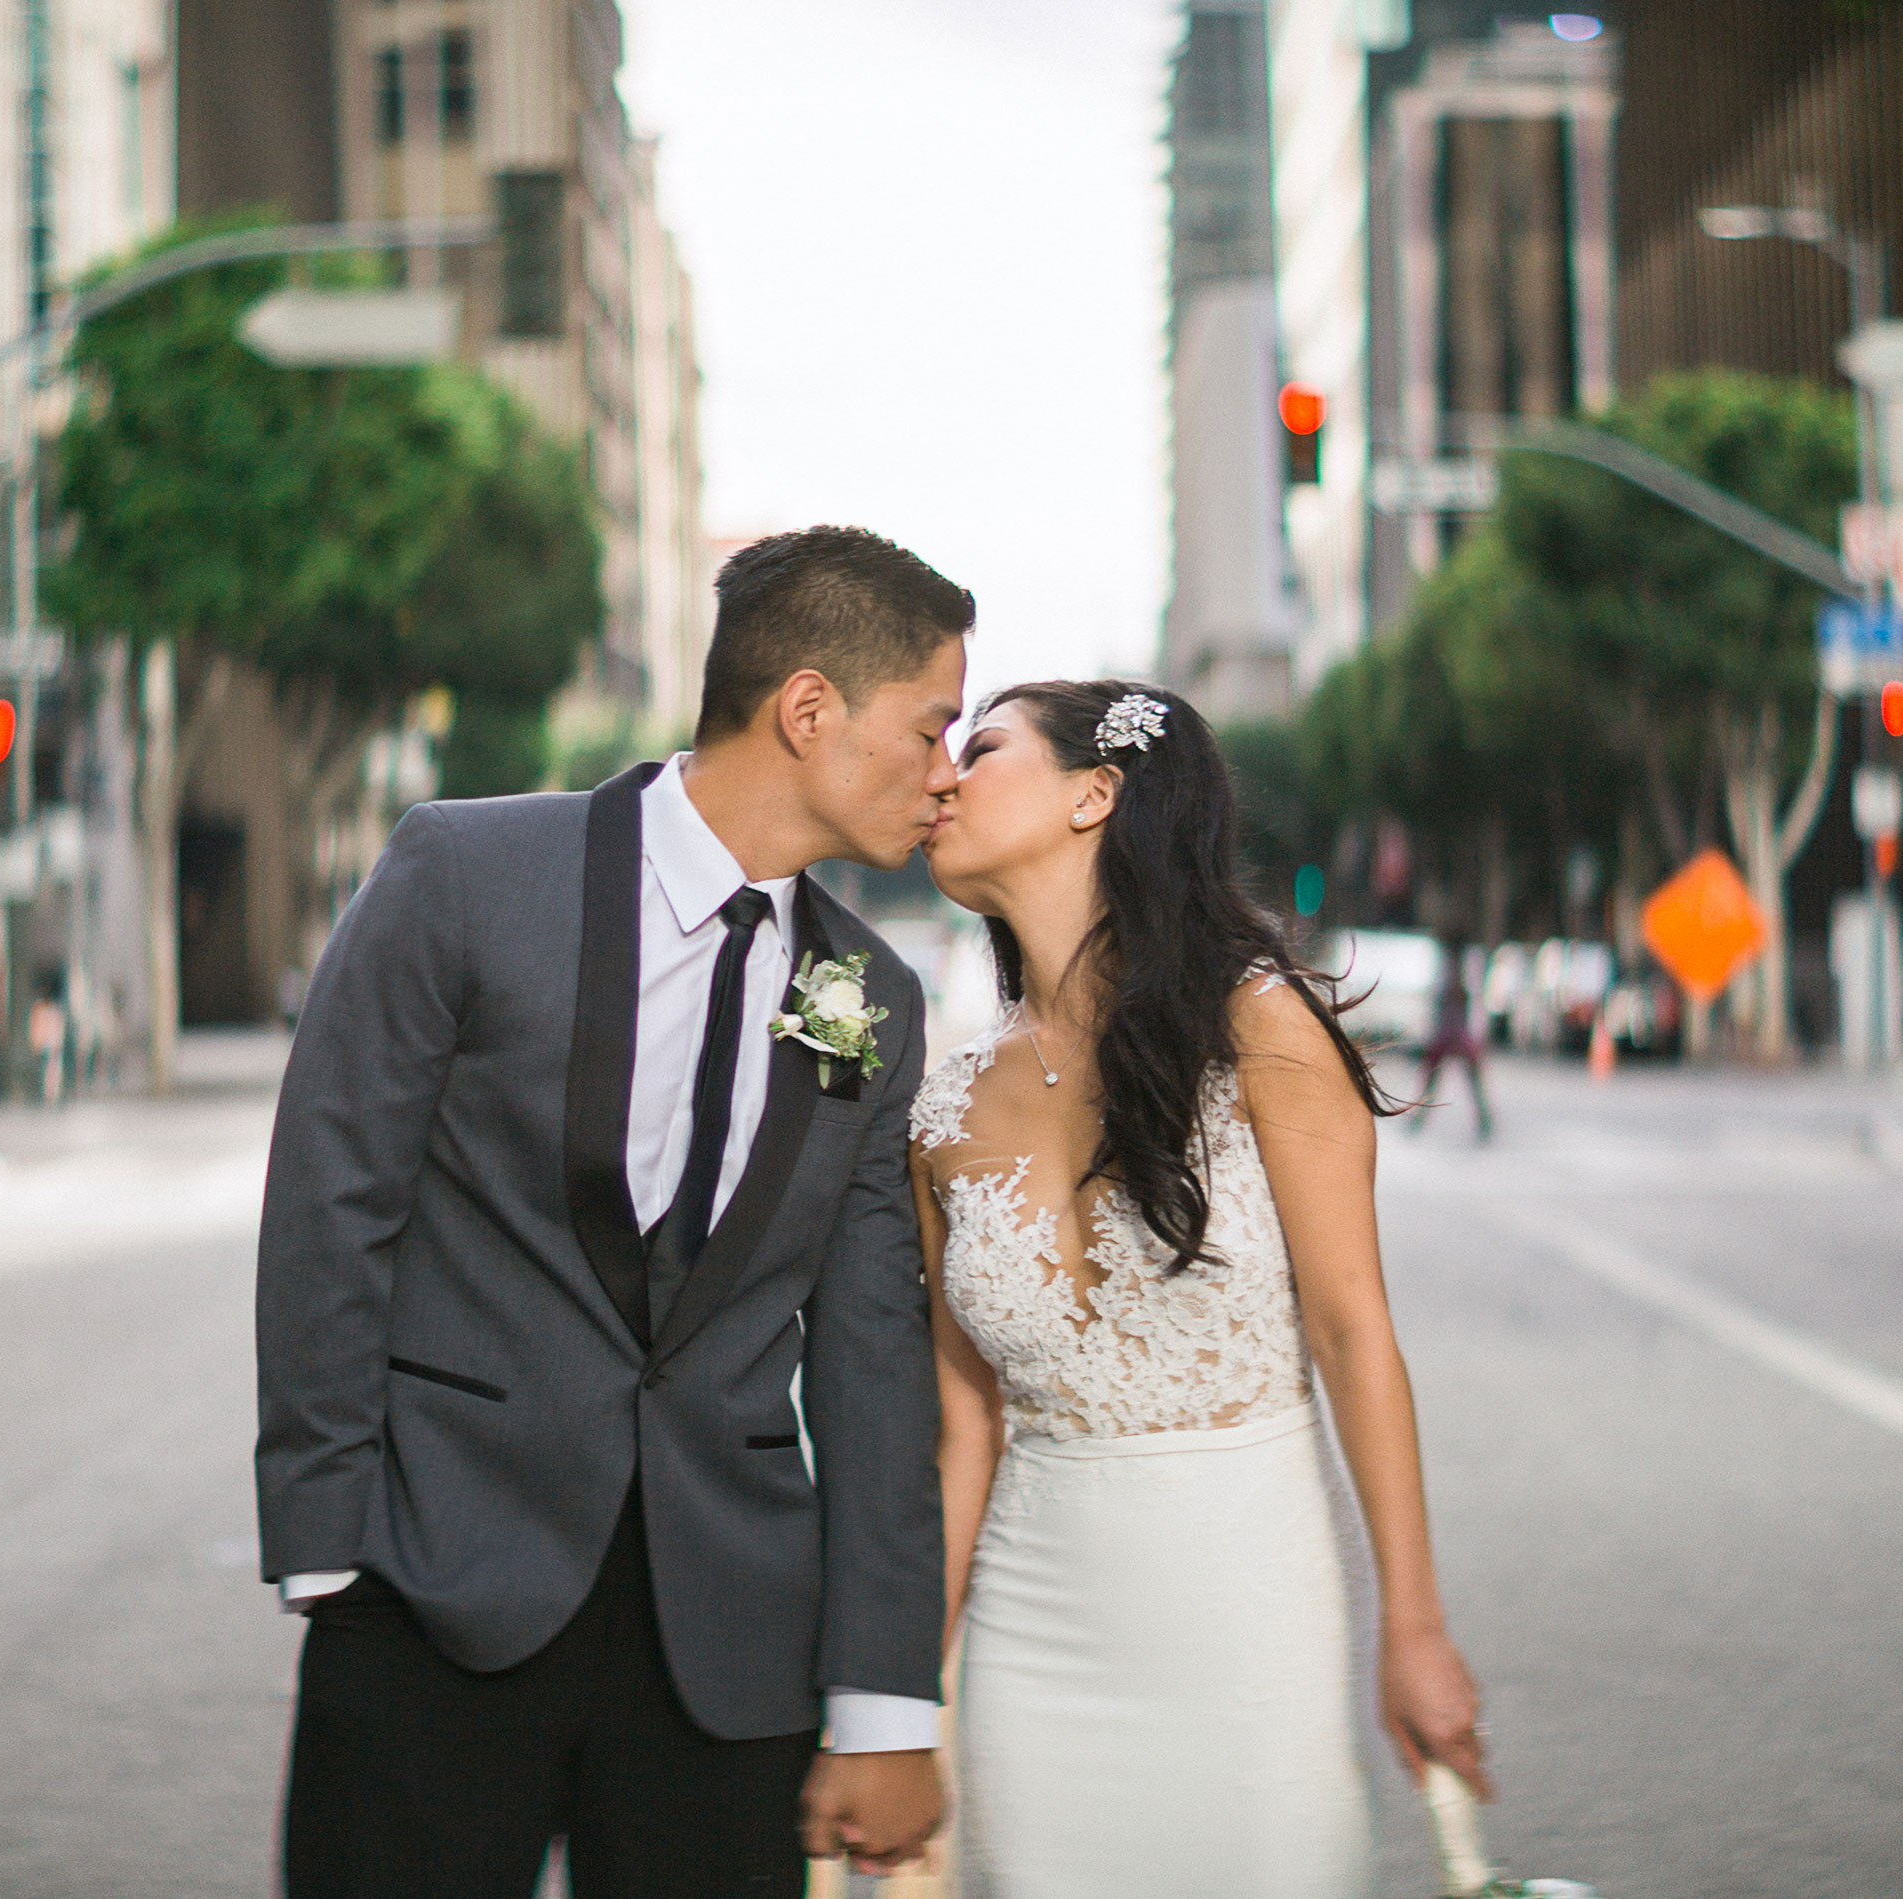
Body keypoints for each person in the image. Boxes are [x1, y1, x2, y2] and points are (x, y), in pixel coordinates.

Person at [255, 526, 970, 1898]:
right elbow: (331, 1202)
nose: (948, 768)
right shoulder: (464, 875)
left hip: (725, 1657)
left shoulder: (873, 995)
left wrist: (884, 1698)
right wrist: (327, 1550)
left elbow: (875, 1352)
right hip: (431, 1594)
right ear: (808, 709)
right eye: (931, 724)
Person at [915, 679, 1489, 1896]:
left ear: (1094, 795)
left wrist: (1415, 1623)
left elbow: (1351, 1334)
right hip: (1032, 1638)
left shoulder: (1261, 1030)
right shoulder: (944, 1107)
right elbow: (960, 1427)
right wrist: (899, 1695)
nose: (942, 779)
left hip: (1246, 1610)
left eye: (983, 749)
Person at [1413, 943, 1495, 1141]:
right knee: (1466, 1083)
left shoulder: (1457, 975)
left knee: (1444, 1082)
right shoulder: (1457, 973)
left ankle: (1484, 1122)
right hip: (1454, 1034)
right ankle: (1484, 1122)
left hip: (1453, 1034)